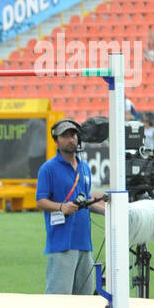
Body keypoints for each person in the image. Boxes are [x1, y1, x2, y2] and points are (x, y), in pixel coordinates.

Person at [35, 120, 106, 295]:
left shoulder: (84, 167)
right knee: (59, 301)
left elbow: (87, 199)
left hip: (85, 244)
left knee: (85, 301)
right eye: (65, 136)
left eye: (73, 135)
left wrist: (107, 211)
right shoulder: (48, 168)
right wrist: (61, 207)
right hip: (62, 243)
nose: (71, 139)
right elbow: (40, 201)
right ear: (56, 140)